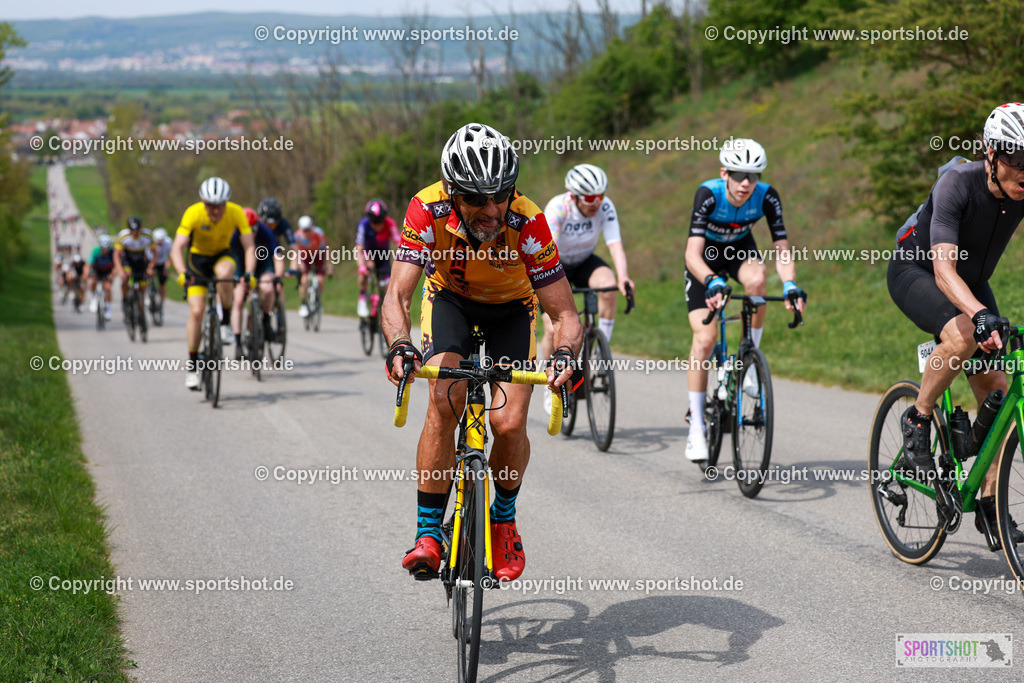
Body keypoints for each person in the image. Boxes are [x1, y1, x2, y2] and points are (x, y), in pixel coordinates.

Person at [381, 122, 583, 582]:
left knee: (508, 422)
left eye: (501, 195)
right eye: (476, 198)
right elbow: (396, 297)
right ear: (452, 192)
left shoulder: (527, 221)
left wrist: (566, 354)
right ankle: (429, 533)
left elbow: (564, 315)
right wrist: (399, 343)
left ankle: (503, 517)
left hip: (512, 309)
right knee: (442, 398)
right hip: (449, 301)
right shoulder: (425, 209)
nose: (491, 210)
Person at [888, 103, 1024, 546]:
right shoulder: (956, 185)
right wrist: (979, 315)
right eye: (1017, 159)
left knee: (1001, 394)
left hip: (973, 282)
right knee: (964, 335)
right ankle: (917, 419)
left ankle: (989, 500)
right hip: (918, 270)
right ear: (991, 154)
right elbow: (944, 270)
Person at [683, 138, 807, 463]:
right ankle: (696, 425)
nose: (746, 183)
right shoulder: (708, 194)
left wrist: (791, 284)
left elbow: (782, 249)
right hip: (706, 260)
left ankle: (748, 361)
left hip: (740, 250)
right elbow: (691, 253)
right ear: (724, 173)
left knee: (757, 280)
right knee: (705, 339)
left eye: (753, 175)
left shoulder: (767, 196)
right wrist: (710, 280)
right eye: (739, 175)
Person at [170, 177, 255, 390]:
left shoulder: (236, 213)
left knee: (225, 273)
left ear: (226, 203)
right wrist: (181, 273)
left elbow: (249, 246)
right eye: (210, 206)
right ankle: (192, 367)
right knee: (197, 311)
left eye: (219, 206)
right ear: (202, 201)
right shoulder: (193, 213)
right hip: (197, 262)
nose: (215, 211)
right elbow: (177, 248)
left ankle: (225, 322)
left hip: (221, 256)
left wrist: (249, 273)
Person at [540, 164, 633, 356]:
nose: (597, 203)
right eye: (590, 198)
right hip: (555, 264)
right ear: (573, 196)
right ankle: (549, 382)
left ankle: (600, 351)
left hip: (584, 261)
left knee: (609, 284)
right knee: (551, 329)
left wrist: (624, 277)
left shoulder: (605, 207)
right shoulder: (558, 207)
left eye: (601, 196)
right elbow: (550, 249)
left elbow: (615, 243)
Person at [228, 208, 285, 357]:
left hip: (262, 264)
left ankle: (266, 321)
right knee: (239, 299)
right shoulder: (234, 234)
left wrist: (278, 275)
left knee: (268, 288)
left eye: (253, 229)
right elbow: (229, 257)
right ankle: (238, 342)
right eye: (247, 229)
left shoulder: (265, 231)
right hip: (240, 264)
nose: (251, 233)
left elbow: (277, 255)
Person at [355, 198, 401, 316]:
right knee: (369, 266)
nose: (377, 225)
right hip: (368, 254)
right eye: (374, 222)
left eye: (380, 221)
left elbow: (400, 244)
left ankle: (384, 309)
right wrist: (361, 266)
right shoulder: (363, 225)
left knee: (388, 286)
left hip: (383, 257)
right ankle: (362, 298)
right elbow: (358, 249)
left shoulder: (390, 223)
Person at [112, 216, 154, 322]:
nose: (134, 232)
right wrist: (120, 271)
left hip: (140, 259)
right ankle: (125, 299)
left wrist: (150, 267)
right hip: (127, 259)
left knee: (142, 287)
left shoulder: (147, 235)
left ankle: (140, 311)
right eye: (132, 229)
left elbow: (155, 253)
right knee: (126, 277)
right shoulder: (123, 236)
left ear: (141, 227)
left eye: (137, 229)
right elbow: (116, 255)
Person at [292, 215, 332, 318]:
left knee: (320, 279)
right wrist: (299, 266)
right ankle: (303, 303)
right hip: (304, 255)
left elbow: (327, 249)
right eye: (304, 230)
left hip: (318, 254)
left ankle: (318, 299)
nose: (307, 232)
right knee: (304, 280)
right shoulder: (297, 236)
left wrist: (330, 266)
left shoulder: (319, 233)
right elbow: (295, 253)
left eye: (308, 229)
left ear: (312, 227)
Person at [257, 197, 295, 307]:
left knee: (277, 286)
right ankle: (254, 314)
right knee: (256, 287)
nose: (270, 228)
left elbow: (293, 247)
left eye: (273, 226)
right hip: (257, 254)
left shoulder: (283, 223)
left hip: (274, 254)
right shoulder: (254, 223)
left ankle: (280, 318)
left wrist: (293, 267)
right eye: (267, 224)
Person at [86, 234, 116, 320]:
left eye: (106, 248)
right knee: (93, 281)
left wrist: (112, 274)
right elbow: (88, 264)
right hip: (97, 270)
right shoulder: (95, 251)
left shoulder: (112, 252)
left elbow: (116, 265)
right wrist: (86, 273)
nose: (105, 250)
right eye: (103, 248)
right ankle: (93, 297)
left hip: (108, 271)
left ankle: (108, 310)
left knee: (108, 288)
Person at [148, 227, 173, 310]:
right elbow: (146, 256)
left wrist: (168, 265)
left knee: (162, 284)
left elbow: (172, 255)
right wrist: (149, 267)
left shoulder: (168, 242)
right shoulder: (150, 242)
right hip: (151, 262)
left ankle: (162, 303)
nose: (160, 244)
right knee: (147, 277)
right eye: (158, 242)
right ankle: (148, 295)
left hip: (162, 263)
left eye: (161, 242)